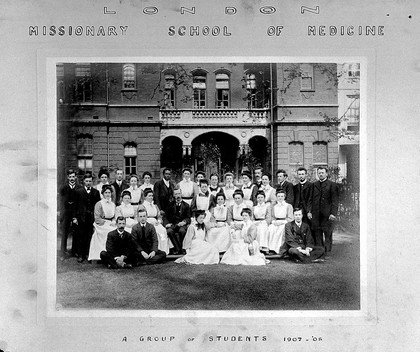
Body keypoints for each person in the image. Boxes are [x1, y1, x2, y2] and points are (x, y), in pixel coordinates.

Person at [307, 166, 339, 254]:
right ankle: (319, 252)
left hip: (327, 215)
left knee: (328, 234)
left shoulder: (332, 185)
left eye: (322, 173)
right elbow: (310, 199)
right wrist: (309, 211)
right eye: (319, 173)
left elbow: (335, 201)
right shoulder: (314, 185)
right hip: (316, 214)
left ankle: (327, 252)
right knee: (317, 234)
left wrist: (333, 213)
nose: (321, 174)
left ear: (326, 174)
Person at [74, 172, 101, 263]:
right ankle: (80, 255)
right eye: (86, 181)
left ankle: (88, 254)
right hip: (81, 218)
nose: (88, 183)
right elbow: (75, 206)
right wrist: (75, 218)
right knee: (81, 236)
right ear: (83, 182)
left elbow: (97, 206)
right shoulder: (78, 192)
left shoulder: (96, 192)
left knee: (90, 236)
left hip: (91, 218)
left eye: (90, 181)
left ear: (92, 182)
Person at [88, 185, 117, 261]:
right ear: (103, 194)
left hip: (110, 222)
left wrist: (113, 221)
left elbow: (114, 216)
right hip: (101, 224)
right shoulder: (99, 204)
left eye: (109, 192)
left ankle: (114, 255)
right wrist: (105, 222)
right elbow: (97, 218)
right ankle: (101, 254)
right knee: (109, 231)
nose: (108, 194)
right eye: (106, 192)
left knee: (117, 231)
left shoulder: (113, 204)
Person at [58, 168, 82, 260]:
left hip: (75, 212)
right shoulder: (63, 187)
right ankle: (63, 253)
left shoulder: (79, 187)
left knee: (76, 232)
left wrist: (77, 214)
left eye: (73, 176)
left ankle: (74, 251)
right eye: (70, 177)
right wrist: (61, 212)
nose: (72, 178)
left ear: (75, 177)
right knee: (65, 232)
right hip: (66, 212)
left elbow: (80, 201)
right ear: (68, 177)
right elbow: (60, 200)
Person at [140, 189, 171, 255]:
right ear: (145, 197)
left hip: (156, 222)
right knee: (155, 232)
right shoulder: (142, 206)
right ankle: (156, 250)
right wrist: (148, 222)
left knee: (163, 231)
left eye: (152, 196)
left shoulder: (155, 206)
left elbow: (159, 216)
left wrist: (159, 221)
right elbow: (141, 217)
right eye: (149, 196)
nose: (151, 197)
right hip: (147, 222)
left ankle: (164, 250)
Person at [163, 188, 191, 255]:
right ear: (173, 195)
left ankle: (183, 248)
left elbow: (188, 218)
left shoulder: (186, 205)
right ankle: (177, 249)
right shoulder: (170, 205)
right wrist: (167, 224)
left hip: (182, 225)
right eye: (176, 194)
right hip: (173, 224)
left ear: (181, 194)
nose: (178, 195)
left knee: (182, 231)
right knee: (169, 231)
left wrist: (184, 222)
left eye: (179, 193)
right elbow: (165, 216)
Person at [267, 189, 294, 254]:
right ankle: (271, 249)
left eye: (282, 196)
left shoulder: (288, 206)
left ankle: (279, 249)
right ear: (276, 197)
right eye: (278, 196)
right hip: (276, 222)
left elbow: (290, 218)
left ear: (284, 197)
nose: (280, 198)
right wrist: (274, 222)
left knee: (280, 230)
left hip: (285, 222)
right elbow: (273, 217)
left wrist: (282, 222)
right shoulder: (274, 206)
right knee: (271, 228)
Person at [252, 190, 272, 254]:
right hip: (256, 222)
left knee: (262, 228)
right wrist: (254, 222)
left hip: (264, 222)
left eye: (261, 197)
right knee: (257, 228)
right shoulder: (254, 208)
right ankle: (257, 247)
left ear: (264, 198)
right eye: (258, 197)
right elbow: (252, 218)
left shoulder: (267, 207)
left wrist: (265, 222)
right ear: (256, 199)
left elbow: (269, 217)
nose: (260, 199)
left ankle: (264, 247)